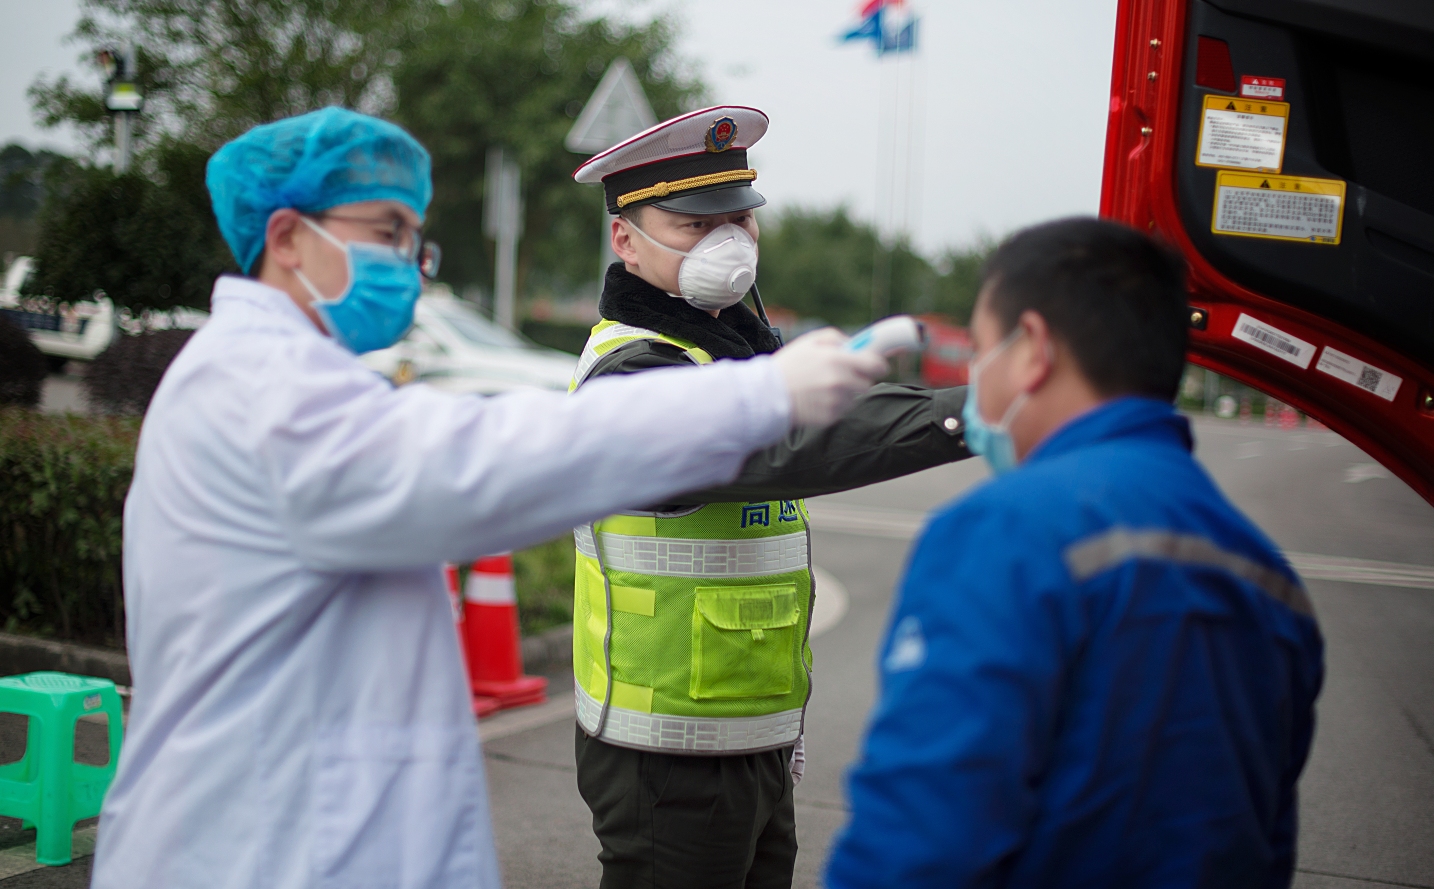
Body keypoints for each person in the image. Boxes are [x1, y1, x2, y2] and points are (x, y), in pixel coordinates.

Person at [89, 107, 891, 889]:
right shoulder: (262, 391)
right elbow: (481, 462)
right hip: (254, 845)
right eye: (383, 233)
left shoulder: (292, 377)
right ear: (289, 237)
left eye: (413, 238)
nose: (406, 262)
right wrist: (758, 397)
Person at [825, 217, 1325, 888]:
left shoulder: (1002, 532)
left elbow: (918, 839)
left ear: (1031, 348)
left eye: (979, 349)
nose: (975, 377)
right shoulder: (1271, 577)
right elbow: (1264, 847)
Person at [567, 106, 973, 889]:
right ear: (625, 238)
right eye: (694, 225)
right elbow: (785, 446)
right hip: (665, 754)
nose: (727, 242)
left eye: (739, 222)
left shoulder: (740, 358)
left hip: (750, 740)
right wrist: (971, 411)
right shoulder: (633, 373)